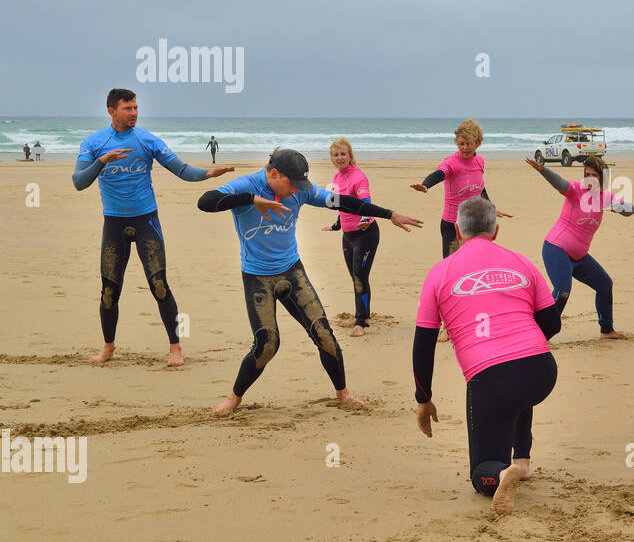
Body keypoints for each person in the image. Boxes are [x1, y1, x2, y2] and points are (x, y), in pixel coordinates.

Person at [198, 148, 420, 416]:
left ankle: (343, 394)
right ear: (274, 173)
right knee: (267, 345)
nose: (296, 191)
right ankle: (233, 399)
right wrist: (251, 200)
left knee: (324, 335)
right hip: (257, 277)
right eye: (292, 184)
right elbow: (206, 201)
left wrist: (389, 214)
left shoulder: (301, 191)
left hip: (292, 271)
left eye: (299, 186)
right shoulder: (248, 185)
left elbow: (346, 202)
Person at [412, 197, 561, 515]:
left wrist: (423, 398)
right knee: (517, 396)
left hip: (490, 378)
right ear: (496, 230)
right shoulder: (522, 262)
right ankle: (521, 461)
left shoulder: (440, 272)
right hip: (541, 371)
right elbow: (552, 323)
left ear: (456, 231)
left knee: (481, 472)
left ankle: (502, 473)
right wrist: (522, 343)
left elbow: (423, 343)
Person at [72, 88, 233, 366]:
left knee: (159, 285)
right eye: (127, 108)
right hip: (114, 223)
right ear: (112, 111)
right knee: (109, 290)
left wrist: (208, 173)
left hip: (146, 221)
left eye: (136, 107)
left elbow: (182, 170)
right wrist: (102, 161)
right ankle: (108, 348)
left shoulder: (147, 140)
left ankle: (175, 349)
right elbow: (79, 182)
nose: (134, 113)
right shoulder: (94, 143)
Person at [527, 155, 634, 339]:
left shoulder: (606, 197)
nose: (589, 178)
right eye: (587, 174)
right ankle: (539, 335)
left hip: (580, 257)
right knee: (563, 291)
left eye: (594, 175)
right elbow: (559, 183)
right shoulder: (576, 190)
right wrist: (543, 170)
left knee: (604, 285)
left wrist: (621, 206)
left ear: (602, 177)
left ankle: (606, 330)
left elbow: (631, 211)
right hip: (556, 249)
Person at [411, 119, 513, 258]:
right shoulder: (452, 162)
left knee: (473, 264)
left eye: (469, 143)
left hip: (475, 223)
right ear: (457, 143)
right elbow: (439, 174)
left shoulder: (480, 161)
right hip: (453, 224)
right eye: (461, 144)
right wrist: (426, 184)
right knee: (452, 266)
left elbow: (480, 188)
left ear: (477, 143)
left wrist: (490, 208)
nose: (465, 147)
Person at [321, 138, 381, 337]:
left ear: (350, 156)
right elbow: (341, 205)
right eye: (336, 155)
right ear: (332, 158)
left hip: (366, 234)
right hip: (348, 235)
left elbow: (366, 202)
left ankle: (360, 322)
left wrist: (365, 220)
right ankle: (364, 315)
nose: (340, 158)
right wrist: (336, 225)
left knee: (359, 278)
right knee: (356, 277)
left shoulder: (358, 177)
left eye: (343, 154)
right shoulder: (337, 178)